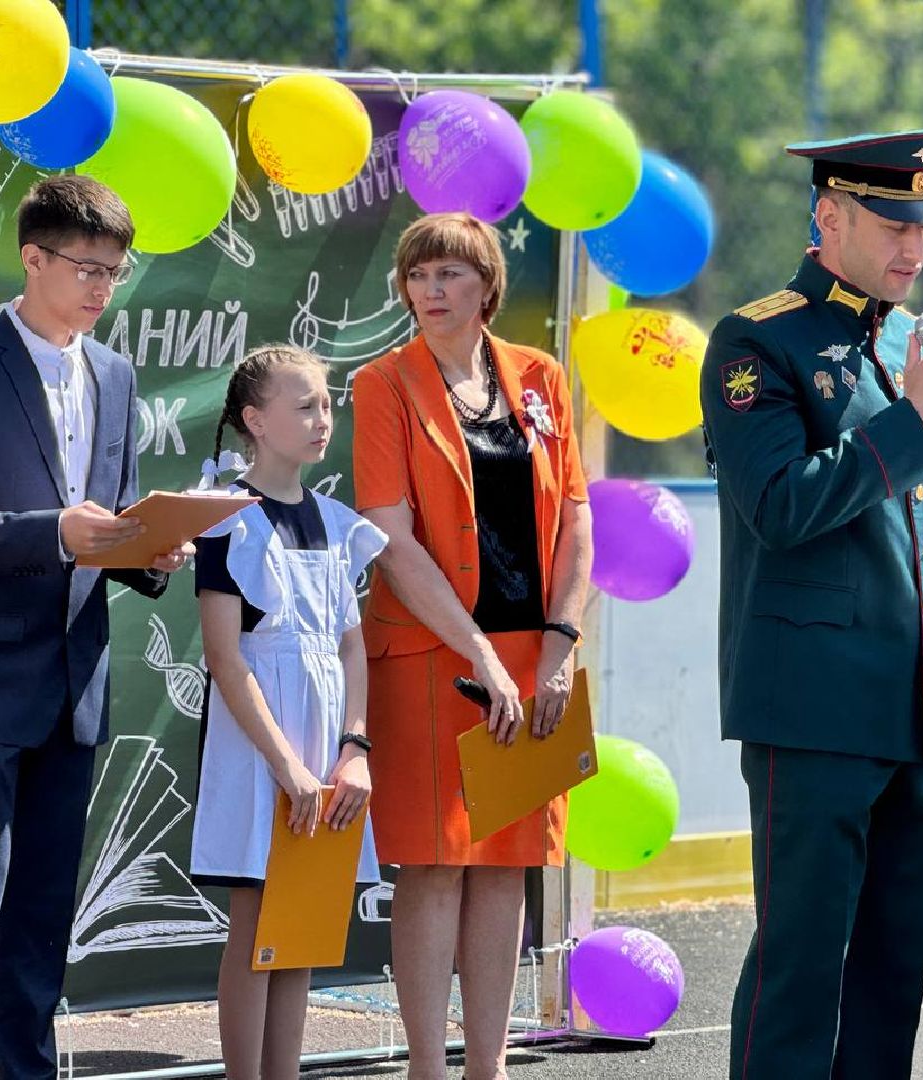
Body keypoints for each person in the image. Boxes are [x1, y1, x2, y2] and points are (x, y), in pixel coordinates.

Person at [699, 130, 923, 1079]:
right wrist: (915, 419)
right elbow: (782, 507)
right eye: (893, 221)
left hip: (912, 703)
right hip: (813, 704)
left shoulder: (906, 340)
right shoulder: (756, 339)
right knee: (801, 971)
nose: (915, 245)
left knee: (891, 976)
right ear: (829, 217)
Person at [0, 175, 188, 1079]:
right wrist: (57, 534)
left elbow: (110, 522)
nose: (105, 288)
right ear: (33, 259)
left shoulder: (115, 372)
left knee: (39, 921)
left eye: (117, 271)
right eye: (89, 268)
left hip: (76, 683)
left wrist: (147, 553)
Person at [351, 212, 592, 1080]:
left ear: (488, 285)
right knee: (434, 866)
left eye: (449, 274)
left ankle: (485, 1068)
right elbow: (390, 535)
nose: (431, 291)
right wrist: (480, 655)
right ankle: (427, 1066)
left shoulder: (541, 376)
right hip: (431, 656)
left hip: (536, 657)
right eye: (418, 276)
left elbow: (575, 514)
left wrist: (558, 645)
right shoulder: (383, 384)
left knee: (506, 868)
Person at [189, 344, 386, 1080]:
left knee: (301, 924)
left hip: (325, 751)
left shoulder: (339, 523)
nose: (321, 419)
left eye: (326, 405)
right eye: (303, 405)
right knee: (255, 923)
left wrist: (353, 748)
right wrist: (287, 767)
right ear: (254, 419)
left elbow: (352, 650)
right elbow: (227, 659)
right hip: (259, 750)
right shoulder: (225, 521)